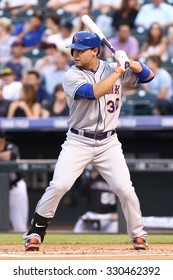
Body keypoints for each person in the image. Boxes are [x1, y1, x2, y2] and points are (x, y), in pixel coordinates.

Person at [23, 31, 154, 251]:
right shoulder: (71, 76)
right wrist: (119, 70)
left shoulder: (113, 67)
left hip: (109, 142)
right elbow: (94, 92)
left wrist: (130, 62)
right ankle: (35, 231)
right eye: (74, 50)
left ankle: (138, 234)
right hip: (78, 140)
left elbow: (148, 76)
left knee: (125, 189)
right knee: (60, 185)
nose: (75, 54)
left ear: (95, 51)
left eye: (81, 50)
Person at [73, 167, 118, 233]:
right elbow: (81, 193)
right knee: (78, 227)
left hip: (110, 215)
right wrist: (91, 178)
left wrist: (119, 214)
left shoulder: (115, 178)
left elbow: (123, 198)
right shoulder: (92, 176)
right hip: (92, 214)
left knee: (117, 230)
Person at [0, 131, 29, 232]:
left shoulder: (10, 146)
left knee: (20, 226)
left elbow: (12, 155)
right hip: (1, 190)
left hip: (15, 188)